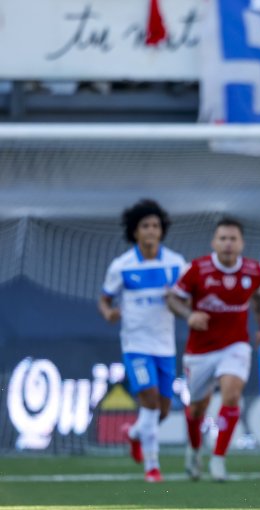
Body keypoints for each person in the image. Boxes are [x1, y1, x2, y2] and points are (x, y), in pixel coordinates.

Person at [167, 218, 260, 482]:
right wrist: (189, 314)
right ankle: (194, 450)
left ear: (241, 243)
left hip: (235, 345)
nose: (228, 243)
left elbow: (259, 297)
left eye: (233, 238)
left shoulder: (253, 271)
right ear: (214, 242)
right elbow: (173, 298)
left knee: (231, 394)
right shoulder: (197, 269)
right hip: (200, 350)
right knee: (197, 409)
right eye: (223, 238)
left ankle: (219, 459)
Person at [99, 199, 187, 483]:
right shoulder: (121, 266)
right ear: (135, 232)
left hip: (164, 346)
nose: (151, 231)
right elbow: (104, 298)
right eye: (145, 226)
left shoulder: (175, 263)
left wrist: (181, 302)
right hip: (135, 345)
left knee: (160, 410)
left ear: (162, 231)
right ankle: (152, 467)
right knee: (148, 400)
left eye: (155, 226)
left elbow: (189, 293)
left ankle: (135, 433)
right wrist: (109, 312)